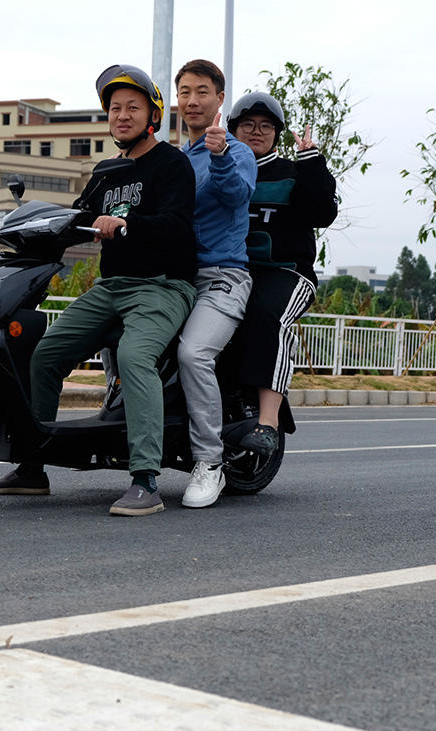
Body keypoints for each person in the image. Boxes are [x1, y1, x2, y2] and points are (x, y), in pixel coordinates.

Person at [0, 64, 198, 516]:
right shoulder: (105, 172)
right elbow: (76, 218)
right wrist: (25, 227)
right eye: (115, 108)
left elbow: (177, 224)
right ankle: (31, 467)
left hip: (161, 287)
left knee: (135, 357)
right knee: (45, 354)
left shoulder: (172, 164)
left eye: (132, 107)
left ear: (153, 115)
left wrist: (126, 222)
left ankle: (145, 479)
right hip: (112, 287)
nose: (122, 115)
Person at [227, 92, 338, 454]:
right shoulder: (223, 169)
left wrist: (311, 161)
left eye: (265, 126)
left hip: (287, 273)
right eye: (248, 124)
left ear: (276, 133)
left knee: (267, 314)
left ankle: (268, 422)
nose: (256, 131)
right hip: (232, 272)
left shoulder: (293, 172)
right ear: (233, 129)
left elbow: (323, 213)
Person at [174, 59, 257, 509]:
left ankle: (209, 461)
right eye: (185, 92)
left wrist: (221, 155)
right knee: (114, 331)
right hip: (176, 280)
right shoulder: (175, 159)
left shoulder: (236, 152)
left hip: (223, 277)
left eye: (202, 91)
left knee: (193, 354)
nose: (192, 100)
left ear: (219, 98)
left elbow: (237, 195)